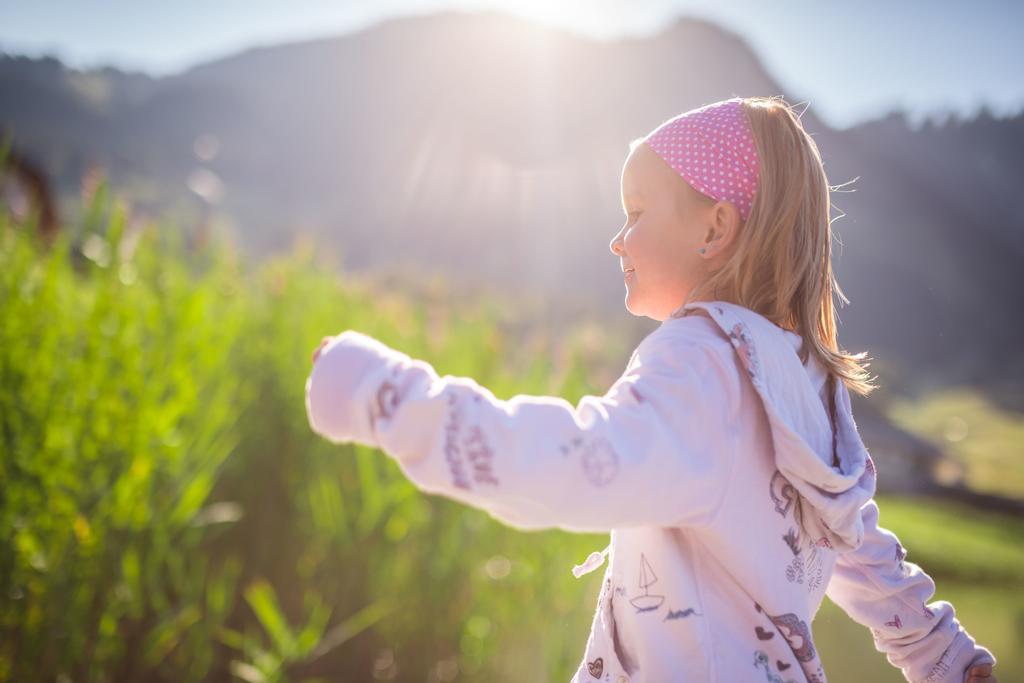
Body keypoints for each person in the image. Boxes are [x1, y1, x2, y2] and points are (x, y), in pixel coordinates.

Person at [304, 96, 998, 682]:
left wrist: (379, 393)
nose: (617, 238)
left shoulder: (701, 363)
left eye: (636, 212)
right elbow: (858, 545)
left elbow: (578, 463)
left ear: (716, 227)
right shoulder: (809, 384)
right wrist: (943, 654)